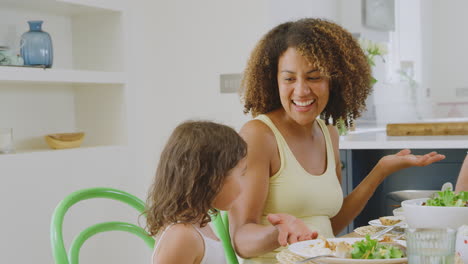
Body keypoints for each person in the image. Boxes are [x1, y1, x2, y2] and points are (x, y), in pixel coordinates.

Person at [229, 18, 446, 263]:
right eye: (289, 79)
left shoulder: (328, 133)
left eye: (314, 77)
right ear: (274, 81)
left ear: (335, 79)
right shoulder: (258, 135)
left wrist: (380, 170)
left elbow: (331, 223)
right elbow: (241, 241)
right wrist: (279, 232)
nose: (301, 91)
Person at [145, 120, 247, 264]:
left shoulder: (197, 225)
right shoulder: (182, 236)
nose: (245, 185)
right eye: (242, 174)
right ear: (213, 178)